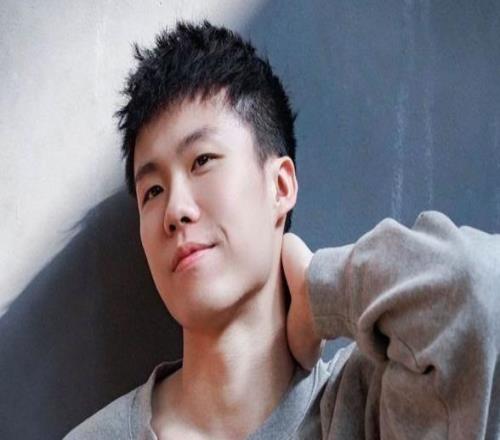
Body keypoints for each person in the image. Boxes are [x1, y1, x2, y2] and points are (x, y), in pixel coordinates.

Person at [64, 21, 500, 439]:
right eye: (153, 191)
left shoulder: (367, 407)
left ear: (281, 185)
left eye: (202, 161)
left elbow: (479, 289)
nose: (175, 210)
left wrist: (320, 293)